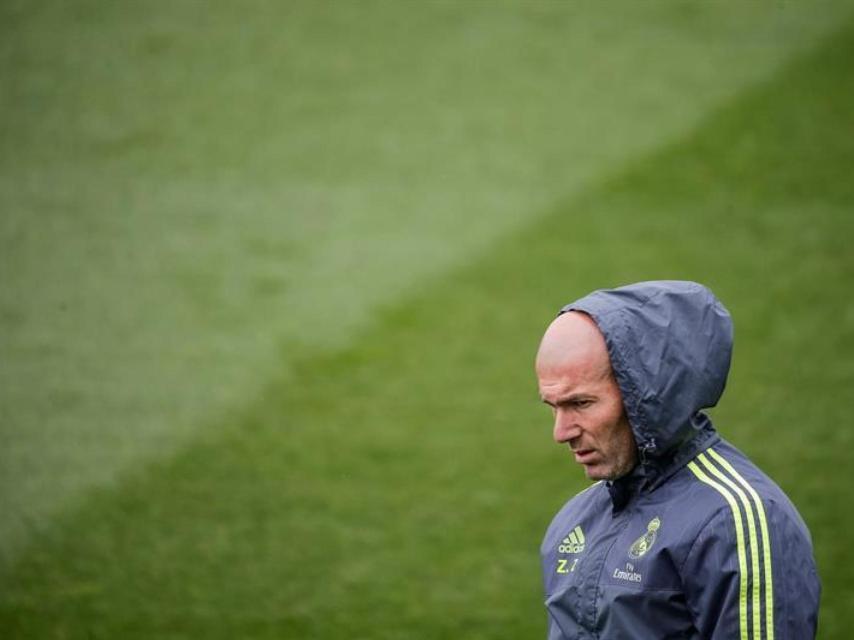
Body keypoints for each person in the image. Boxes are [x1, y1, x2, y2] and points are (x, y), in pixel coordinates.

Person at [535, 280, 820, 639]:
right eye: (553, 407)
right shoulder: (574, 523)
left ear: (644, 394)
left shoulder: (736, 522)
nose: (562, 432)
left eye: (581, 403)